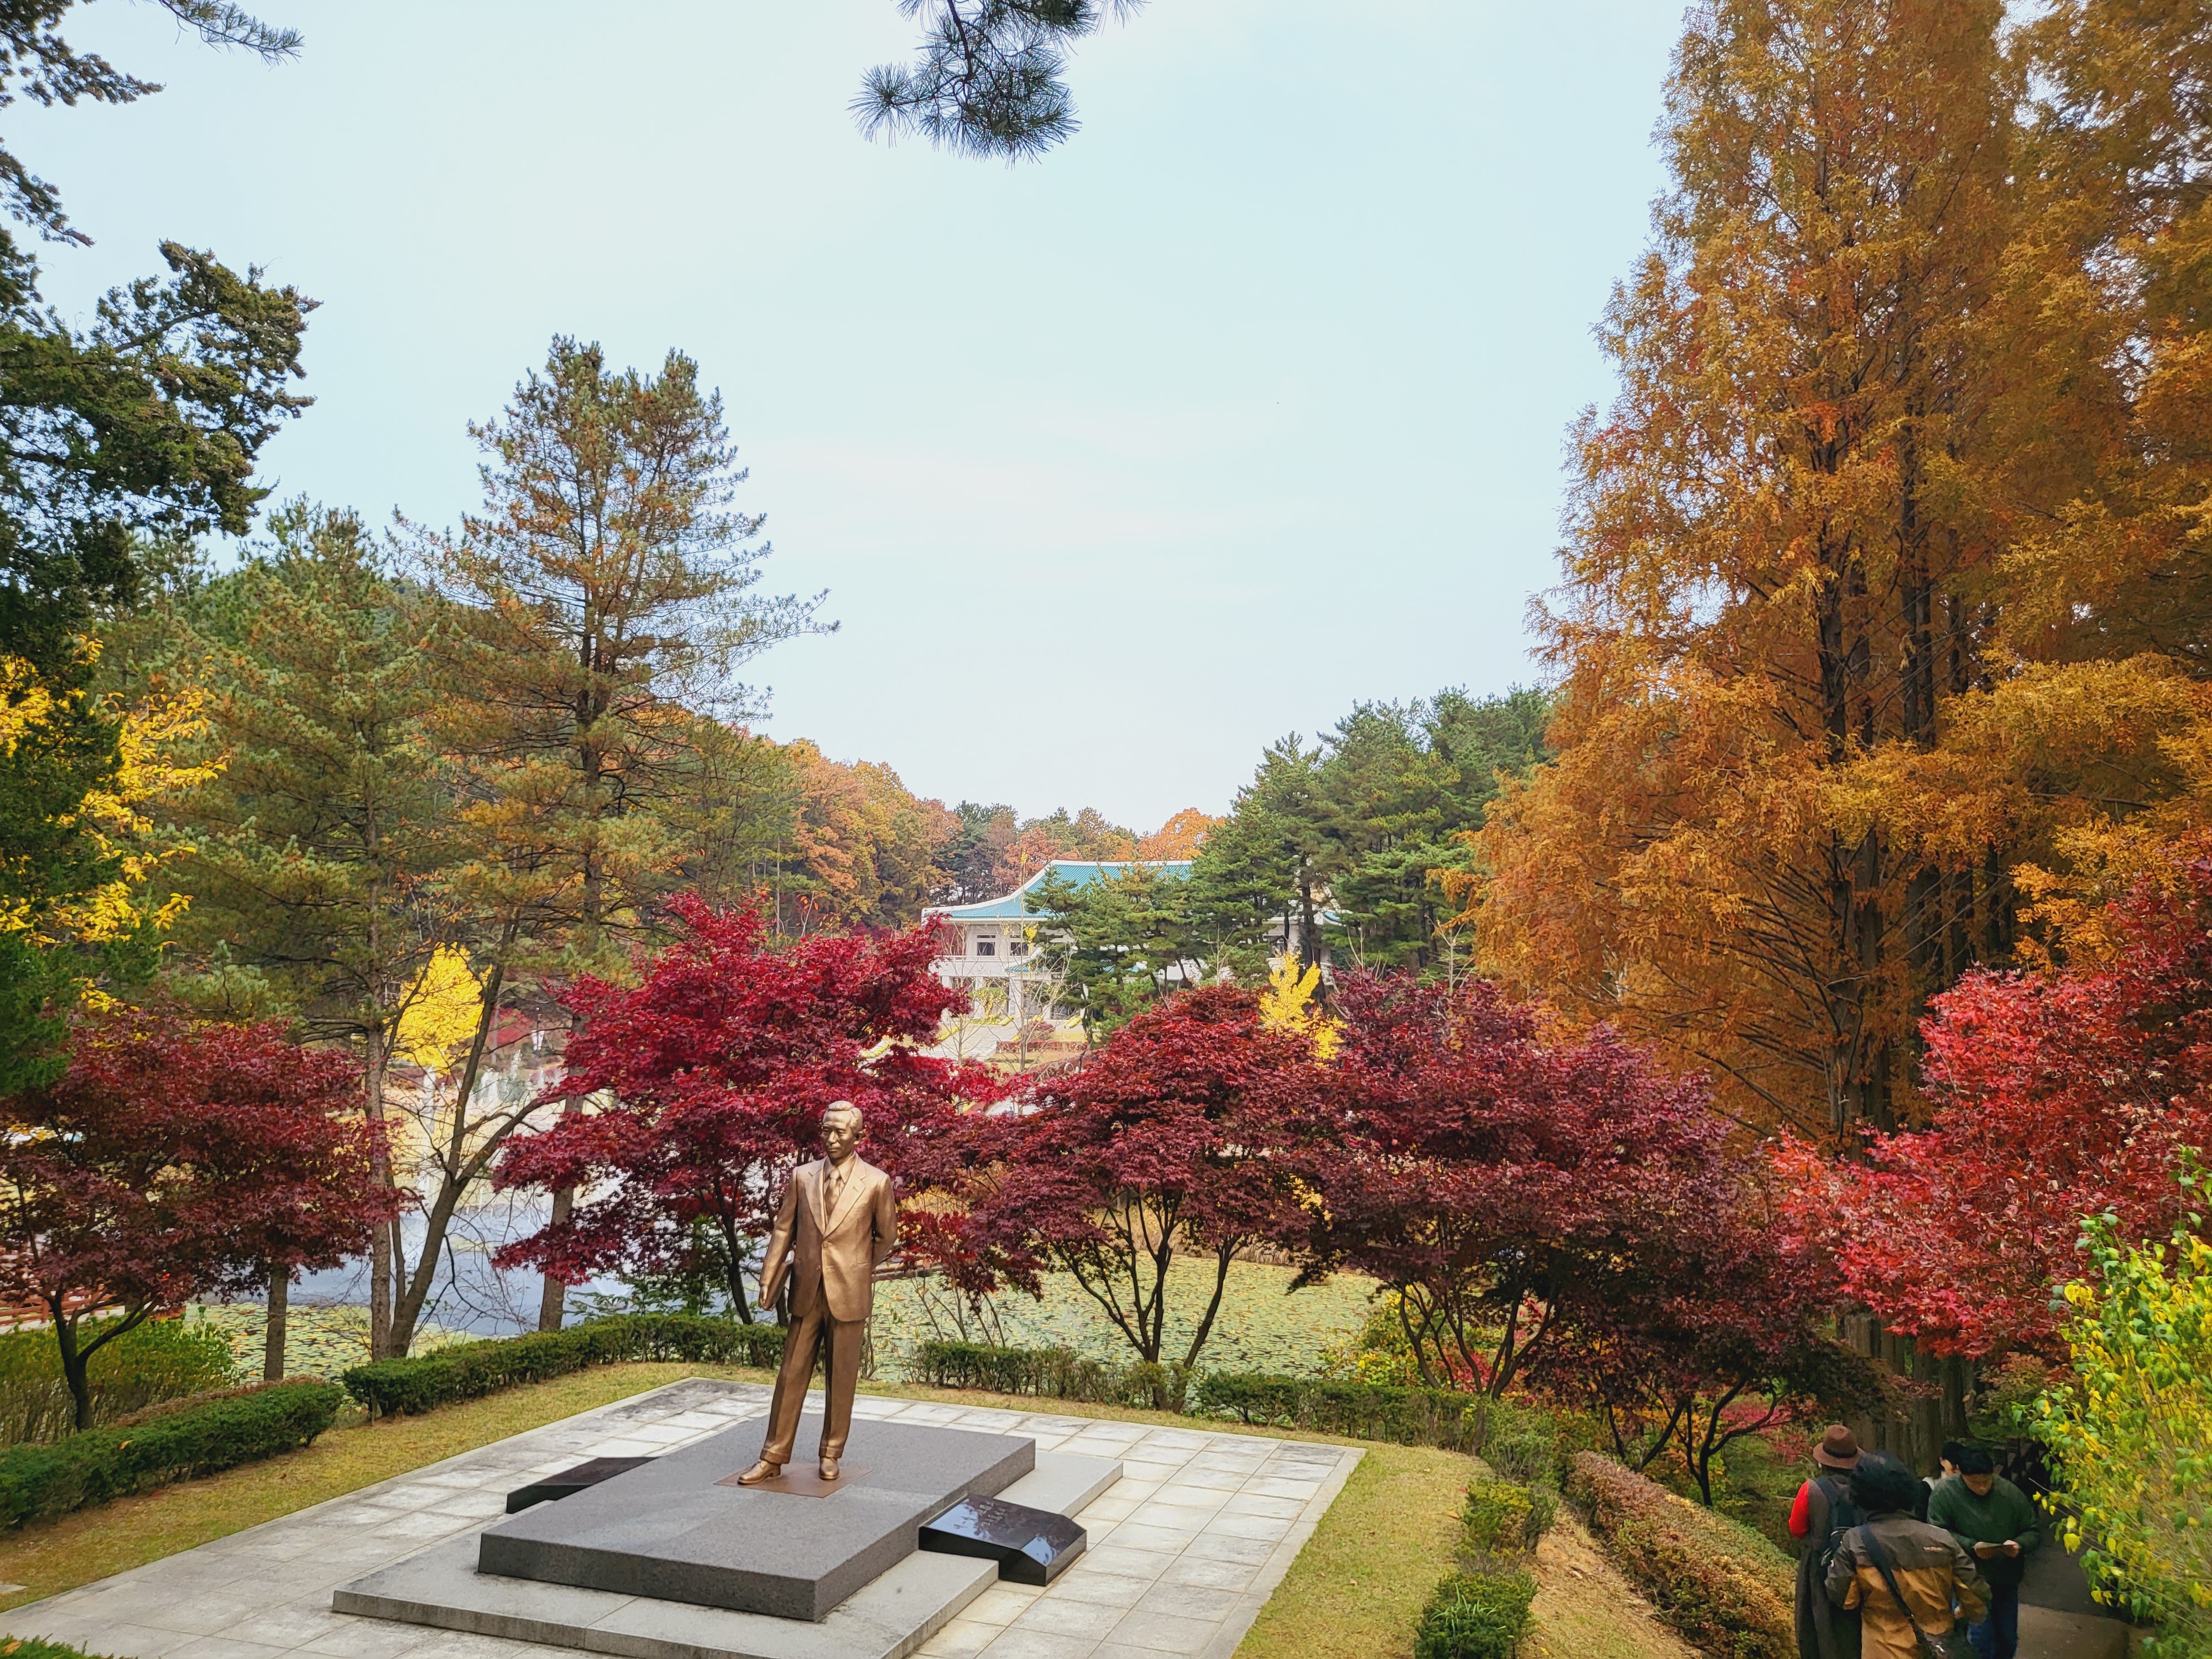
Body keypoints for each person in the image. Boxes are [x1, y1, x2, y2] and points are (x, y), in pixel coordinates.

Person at [734, 1100, 899, 1485]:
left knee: (841, 1380)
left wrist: (858, 1267)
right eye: (826, 1129)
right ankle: (773, 1455)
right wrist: (768, 1276)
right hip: (807, 1290)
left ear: (858, 1136)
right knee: (791, 1373)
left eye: (840, 1131)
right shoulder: (802, 1176)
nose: (831, 1138)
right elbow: (782, 1230)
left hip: (849, 1292)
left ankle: (831, 1452)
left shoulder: (876, 1182)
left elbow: (886, 1237)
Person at [1827, 1451, 1986, 1659]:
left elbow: (1845, 1598)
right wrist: (1957, 1615)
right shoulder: (1941, 1539)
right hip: (1938, 1648)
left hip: (1883, 1650)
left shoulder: (1856, 1542)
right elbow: (1977, 1598)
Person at [1928, 1446, 2039, 1659]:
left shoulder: (2009, 1493)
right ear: (1962, 1475)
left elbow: (2032, 1530)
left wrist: (2019, 1545)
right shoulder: (1945, 1494)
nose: (1981, 1488)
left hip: (2005, 1577)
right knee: (1980, 1638)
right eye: (1975, 1482)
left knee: (2007, 1638)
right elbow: (1938, 1533)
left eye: (1986, 1481)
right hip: (1968, 1580)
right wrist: (1971, 1546)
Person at [1790, 1424, 1865, 1659]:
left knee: (1817, 1625)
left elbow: (1797, 1528)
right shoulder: (1866, 1489)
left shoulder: (1810, 1489)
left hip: (1819, 1565)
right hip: (1861, 1565)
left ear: (1822, 1461)